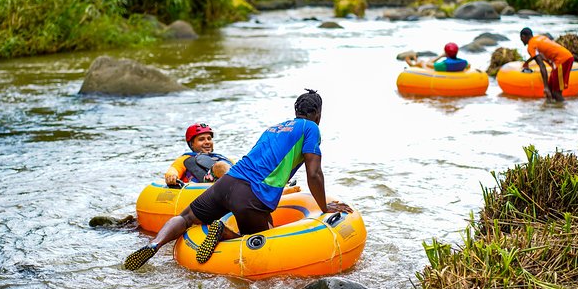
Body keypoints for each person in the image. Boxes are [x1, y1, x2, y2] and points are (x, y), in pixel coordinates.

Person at [124, 88, 353, 270]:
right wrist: (324, 206)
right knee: (259, 242)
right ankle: (223, 232)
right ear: (318, 113)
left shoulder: (274, 128)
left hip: (229, 181)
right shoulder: (311, 128)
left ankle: (153, 244)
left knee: (185, 218)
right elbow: (314, 173)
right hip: (251, 194)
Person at [164, 123, 234, 186]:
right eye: (201, 139)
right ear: (192, 144)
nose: (207, 142)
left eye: (209, 139)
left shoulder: (225, 159)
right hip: (204, 188)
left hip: (226, 185)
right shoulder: (184, 159)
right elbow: (174, 170)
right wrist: (172, 176)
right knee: (220, 166)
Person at [520, 27, 574, 102]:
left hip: (562, 61)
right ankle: (552, 111)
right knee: (551, 90)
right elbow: (537, 54)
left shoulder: (530, 46)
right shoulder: (538, 38)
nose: (521, 40)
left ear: (523, 36)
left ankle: (565, 111)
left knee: (555, 92)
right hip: (565, 57)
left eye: (521, 38)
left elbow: (542, 66)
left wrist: (545, 87)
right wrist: (527, 62)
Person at [405, 42, 470, 72]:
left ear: (445, 53)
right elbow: (468, 66)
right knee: (423, 63)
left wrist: (441, 56)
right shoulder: (464, 62)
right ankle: (416, 62)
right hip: (451, 71)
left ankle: (413, 65)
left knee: (422, 63)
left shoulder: (444, 64)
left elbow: (428, 63)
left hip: (441, 73)